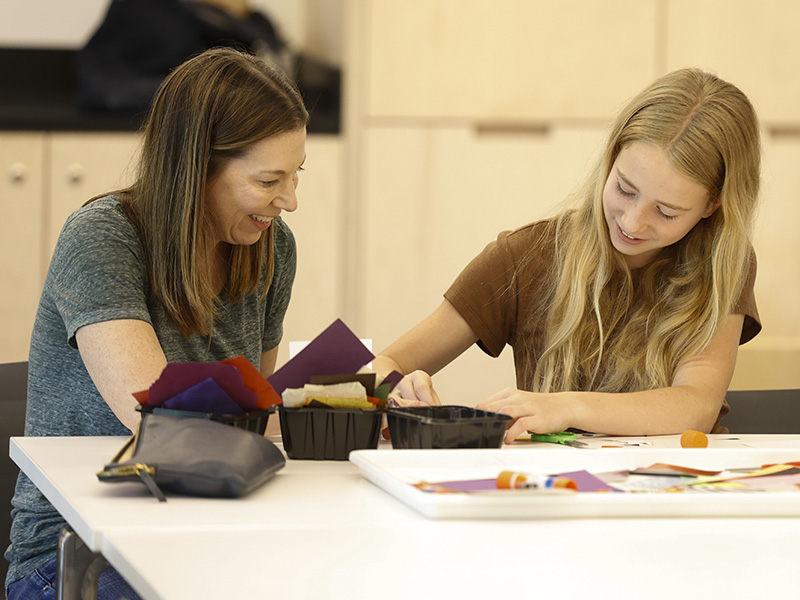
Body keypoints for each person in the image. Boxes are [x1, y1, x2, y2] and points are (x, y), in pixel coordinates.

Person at [5, 47, 309, 599]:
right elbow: (157, 419)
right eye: (269, 181)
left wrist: (354, 413)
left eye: (296, 175)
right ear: (198, 167)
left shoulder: (270, 248)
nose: (289, 201)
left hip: (206, 529)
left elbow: (257, 410)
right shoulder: (102, 238)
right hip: (75, 554)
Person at [373, 68, 762, 443]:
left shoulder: (723, 263)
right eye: (625, 189)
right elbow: (384, 364)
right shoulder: (525, 256)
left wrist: (567, 407)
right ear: (611, 159)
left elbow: (695, 405)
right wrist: (397, 389)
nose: (632, 222)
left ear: (712, 205)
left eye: (666, 212)